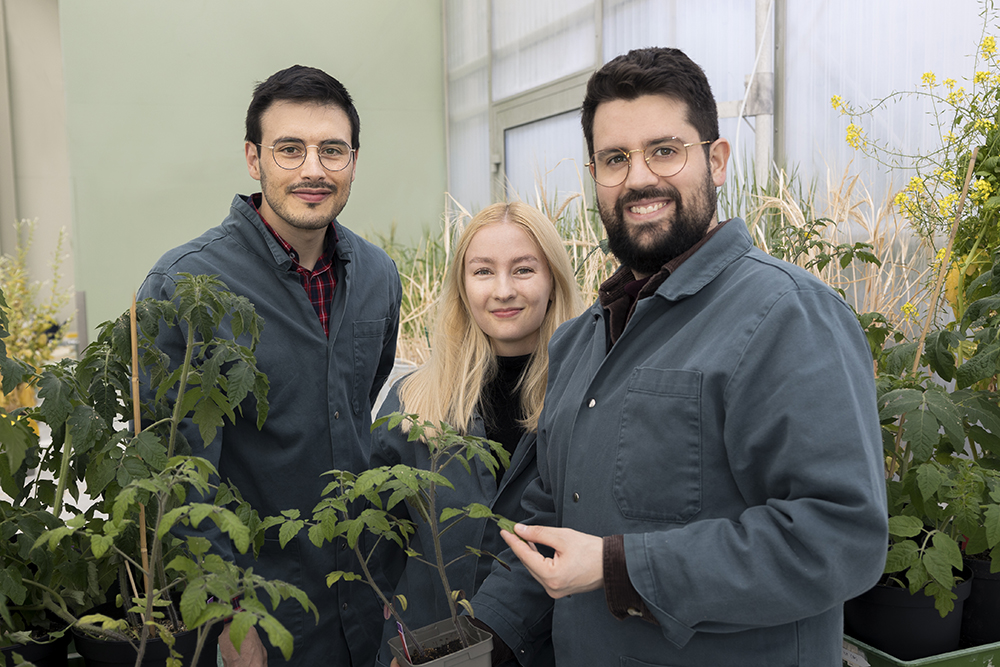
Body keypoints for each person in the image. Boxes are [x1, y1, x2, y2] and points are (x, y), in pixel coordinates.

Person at [469, 47, 888, 665]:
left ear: (715, 161)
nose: (639, 178)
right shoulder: (580, 340)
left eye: (665, 150)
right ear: (595, 176)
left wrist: (620, 566)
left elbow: (838, 536)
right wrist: (481, 635)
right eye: (615, 159)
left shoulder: (787, 317)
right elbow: (548, 515)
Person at [137, 65, 401, 666]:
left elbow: (358, 414)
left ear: (354, 161)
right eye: (291, 149)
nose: (314, 169)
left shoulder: (378, 277)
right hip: (261, 617)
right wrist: (235, 626)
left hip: (362, 604)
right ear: (254, 159)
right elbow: (179, 482)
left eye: (332, 150)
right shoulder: (185, 286)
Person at [371, 202, 583, 667]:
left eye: (524, 269)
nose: (503, 290)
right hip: (429, 652)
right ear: (462, 287)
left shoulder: (588, 400)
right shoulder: (412, 404)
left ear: (553, 280)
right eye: (483, 271)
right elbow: (376, 547)